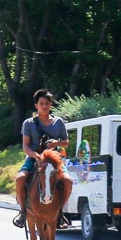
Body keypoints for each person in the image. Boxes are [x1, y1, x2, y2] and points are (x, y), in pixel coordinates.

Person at [13, 89, 73, 229]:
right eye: (41, 103)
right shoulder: (28, 123)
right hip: (35, 158)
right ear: (36, 105)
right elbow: (26, 146)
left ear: (50, 105)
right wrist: (35, 155)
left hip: (54, 159)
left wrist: (56, 143)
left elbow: (66, 142)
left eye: (47, 103)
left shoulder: (59, 122)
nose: (44, 106)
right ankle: (22, 212)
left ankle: (60, 212)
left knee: (68, 181)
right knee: (20, 178)